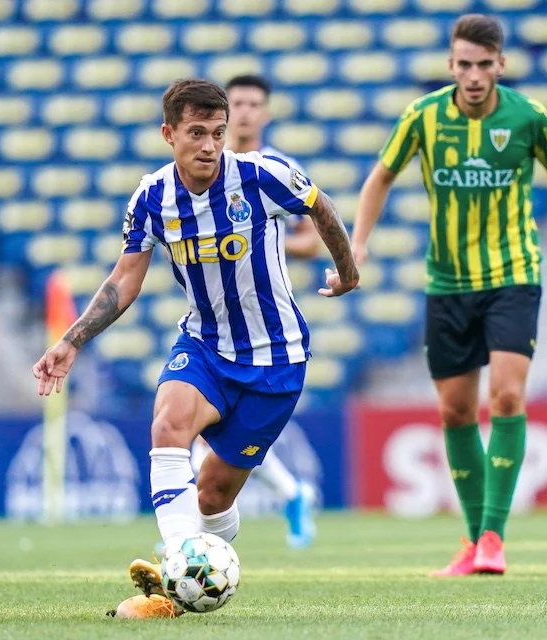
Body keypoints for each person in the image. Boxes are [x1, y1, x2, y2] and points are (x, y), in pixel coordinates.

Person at [33, 78, 359, 618]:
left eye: (217, 133)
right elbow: (125, 279)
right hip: (205, 344)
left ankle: (186, 567)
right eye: (196, 133)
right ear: (169, 134)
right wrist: (71, 341)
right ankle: (181, 560)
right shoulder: (152, 197)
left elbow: (323, 210)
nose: (209, 145)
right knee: (168, 423)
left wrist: (348, 273)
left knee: (212, 499)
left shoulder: (261, 174)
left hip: (276, 359)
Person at [350, 14, 547, 577]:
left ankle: (493, 536)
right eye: (464, 65)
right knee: (455, 410)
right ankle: (473, 542)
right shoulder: (423, 116)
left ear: (501, 66)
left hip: (513, 274)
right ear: (450, 66)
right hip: (447, 282)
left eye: (484, 65)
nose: (474, 75)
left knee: (507, 398)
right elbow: (380, 177)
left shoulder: (529, 117)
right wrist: (358, 245)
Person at [184, 74, 323, 549]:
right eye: (236, 102)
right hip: (213, 316)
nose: (244, 112)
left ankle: (193, 535)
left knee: (214, 430)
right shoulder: (199, 172)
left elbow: (314, 233)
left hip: (266, 318)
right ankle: (287, 495)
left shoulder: (274, 170)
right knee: (202, 426)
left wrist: (265, 234)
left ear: (265, 114)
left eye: (253, 104)